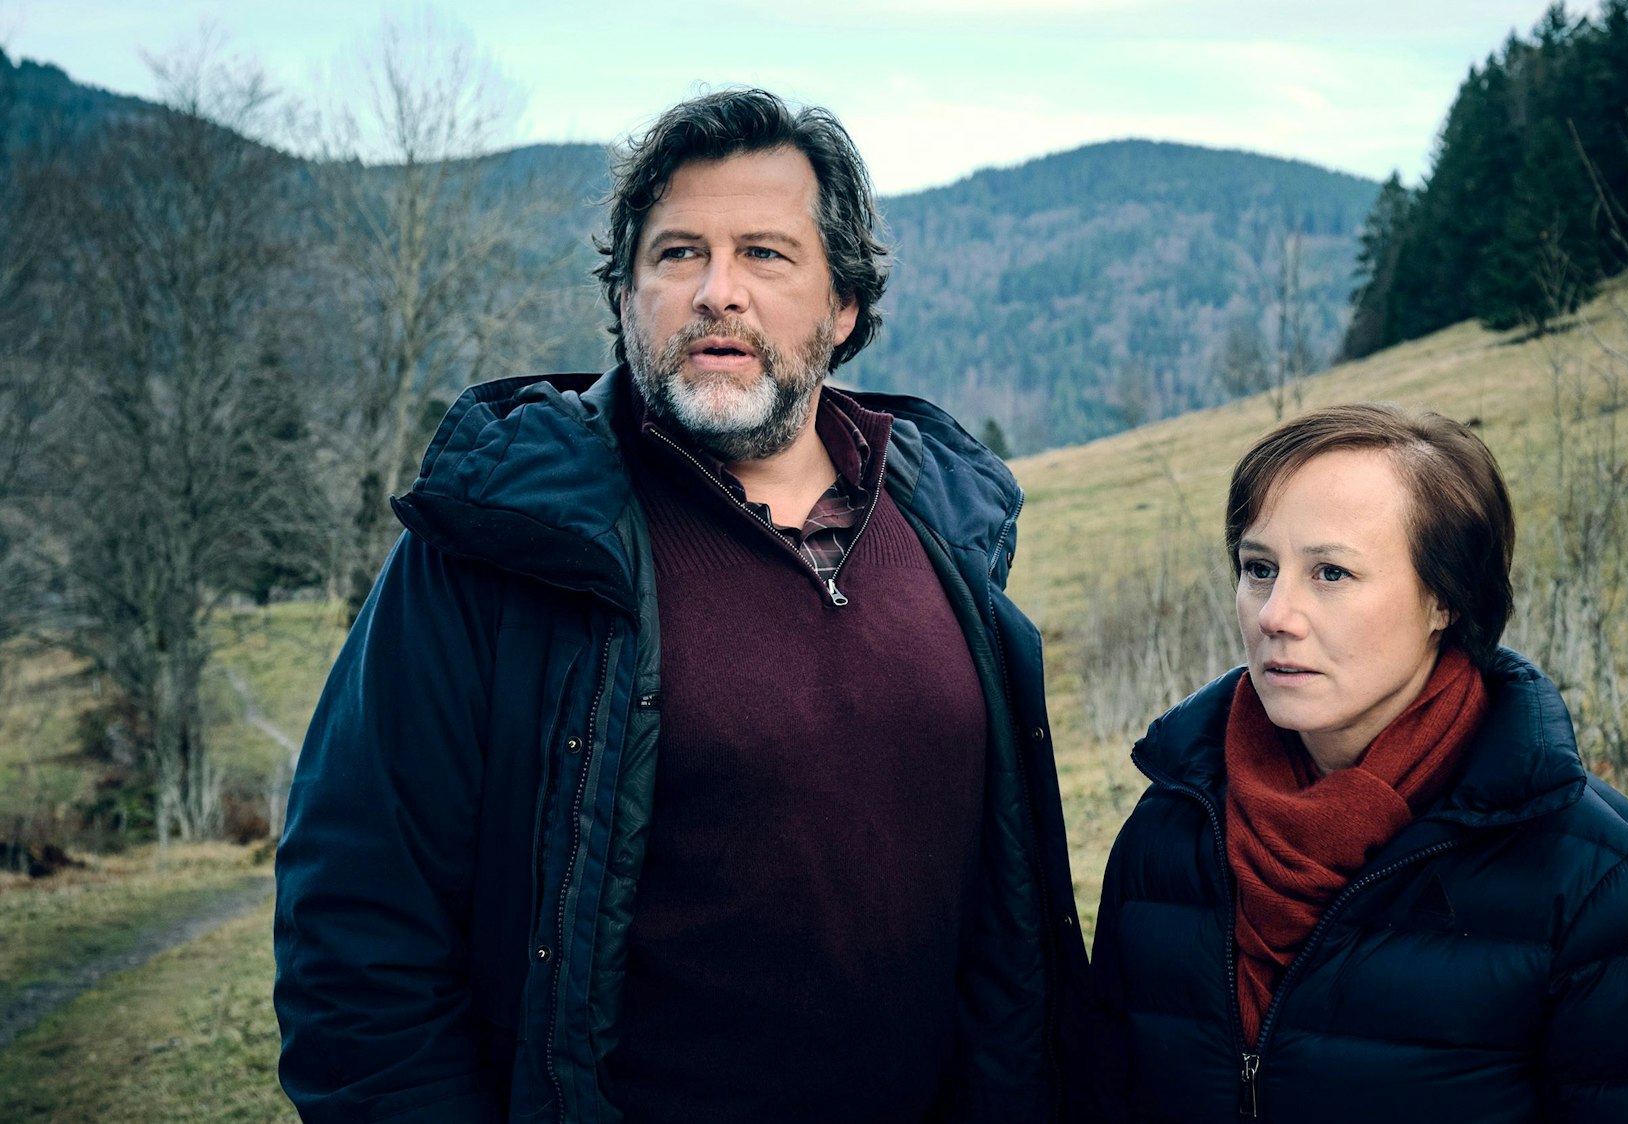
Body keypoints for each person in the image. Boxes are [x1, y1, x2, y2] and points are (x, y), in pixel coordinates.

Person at [274, 89, 1088, 1124]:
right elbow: (355, 933)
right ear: (623, 296)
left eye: (765, 253)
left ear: (843, 306)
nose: (718, 292)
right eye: (676, 255)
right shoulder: (502, 544)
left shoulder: (945, 526)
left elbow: (1006, 919)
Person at [1090, 404, 1628, 1122]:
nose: (1275, 613)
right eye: (1259, 568)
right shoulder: (1173, 828)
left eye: (1331, 572)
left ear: (1445, 599)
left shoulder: (1604, 886)